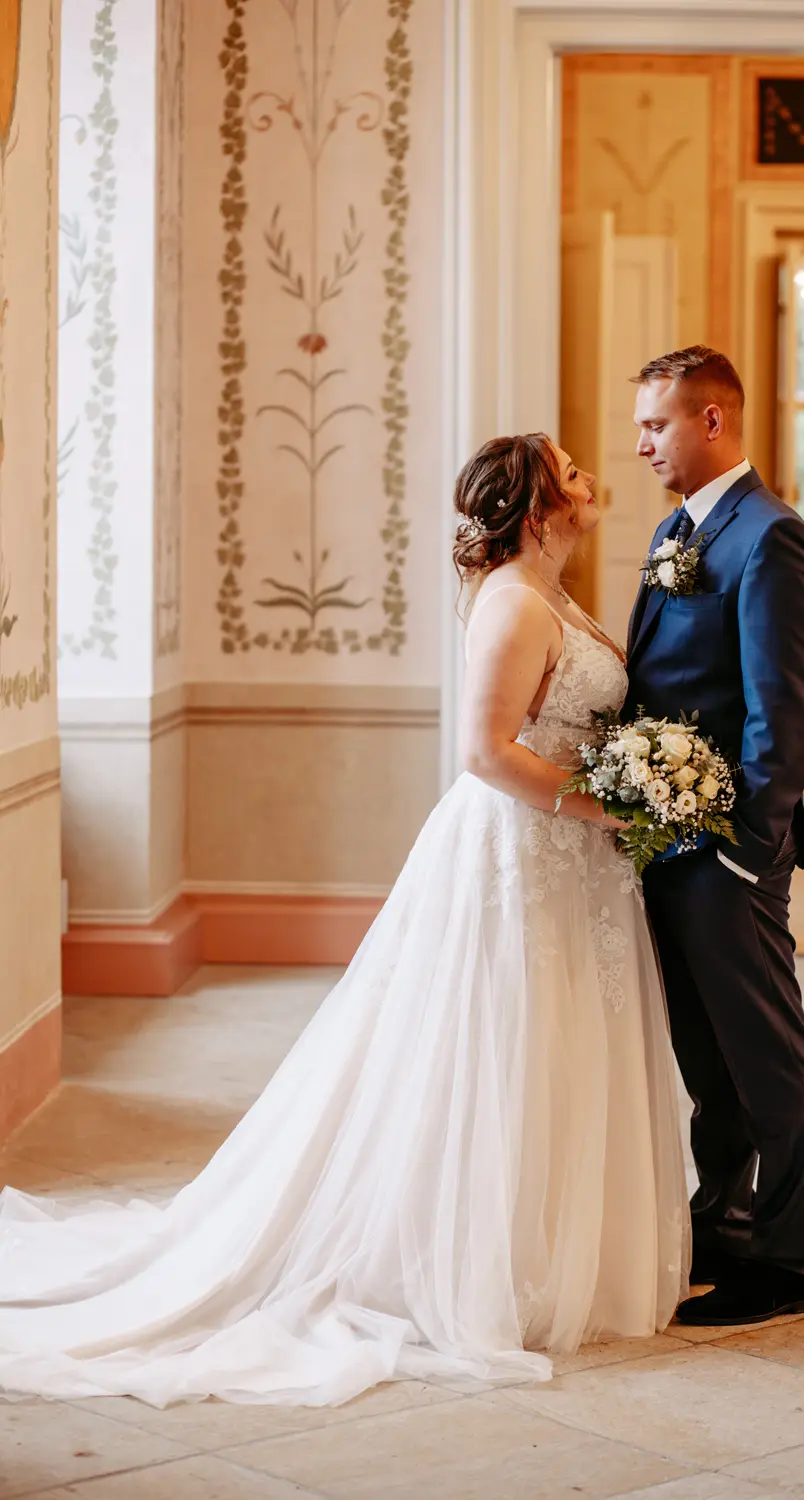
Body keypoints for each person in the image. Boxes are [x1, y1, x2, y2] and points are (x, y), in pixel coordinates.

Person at [0, 433, 690, 1407]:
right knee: (505, 1042)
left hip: (569, 857)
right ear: (538, 508)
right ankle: (470, 1256)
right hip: (520, 850)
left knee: (557, 1040)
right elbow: (486, 754)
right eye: (569, 472)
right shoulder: (512, 605)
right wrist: (611, 807)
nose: (590, 477)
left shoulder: (547, 593)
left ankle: (551, 1243)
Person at [627, 345, 804, 1328]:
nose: (640, 443)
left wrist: (749, 847)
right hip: (666, 840)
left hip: (727, 848)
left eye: (656, 424)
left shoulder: (771, 536)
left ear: (712, 422)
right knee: (706, 1056)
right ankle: (724, 1222)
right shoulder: (678, 528)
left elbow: (779, 712)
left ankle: (785, 1263)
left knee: (766, 1053)